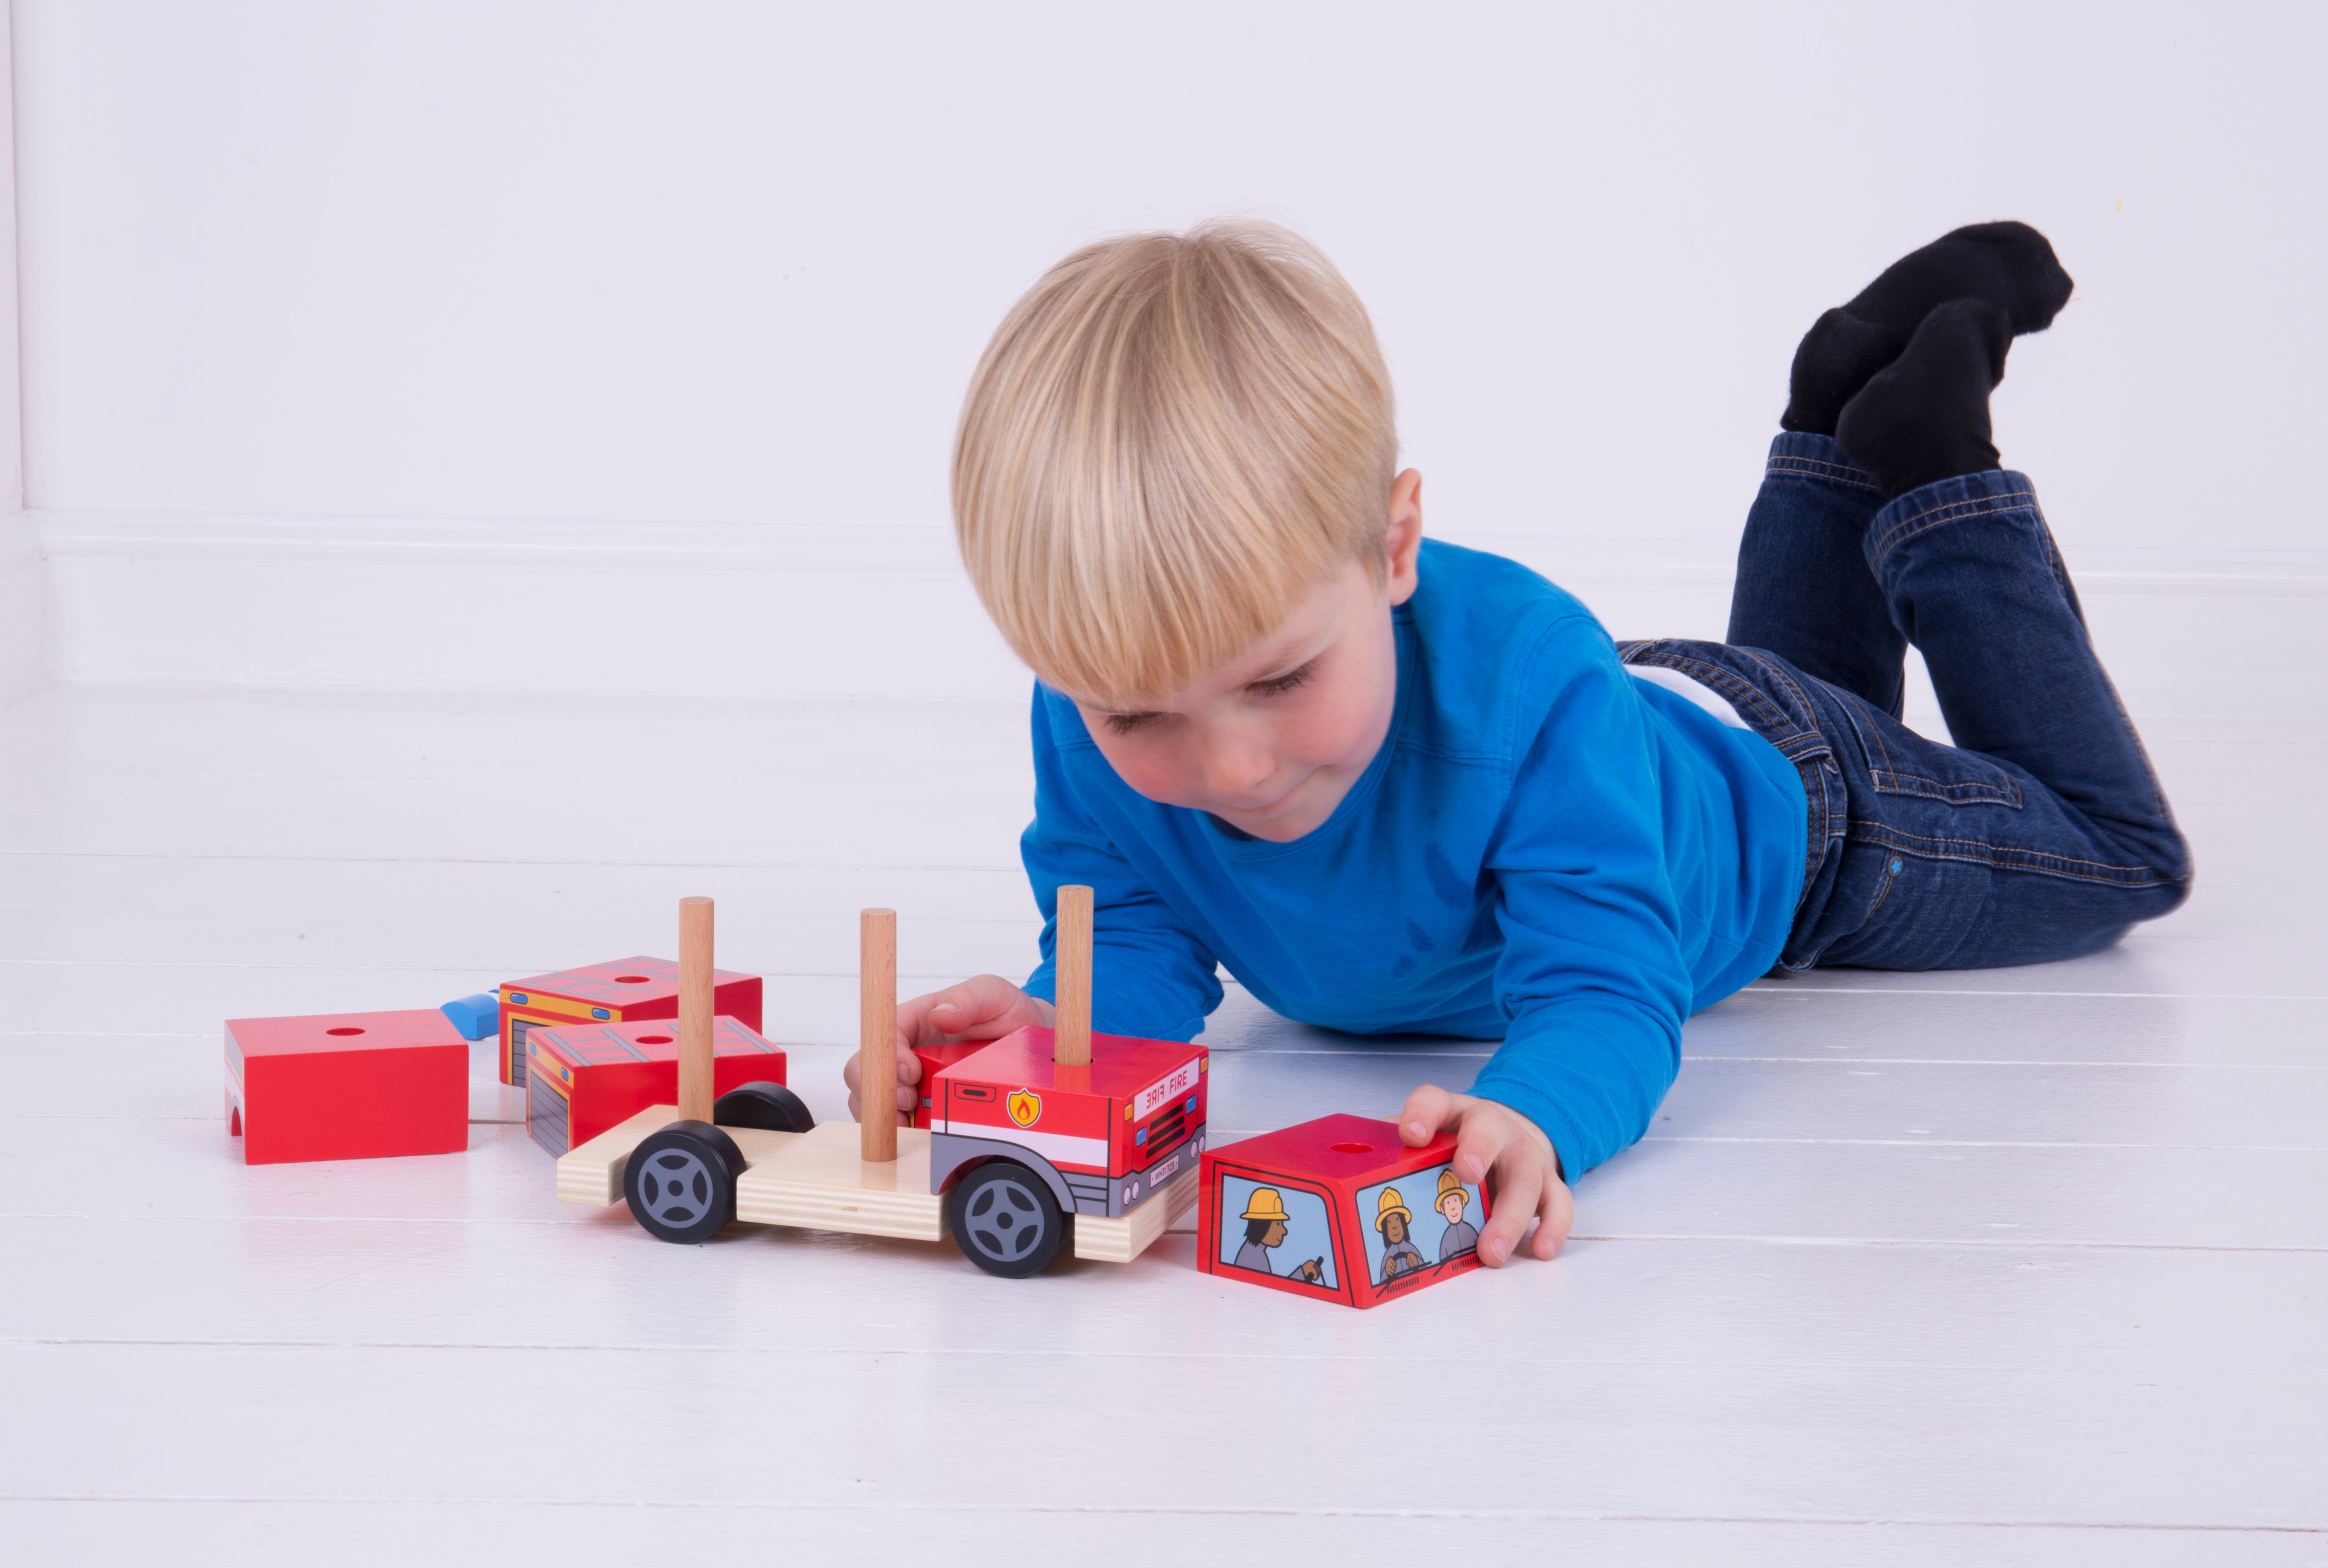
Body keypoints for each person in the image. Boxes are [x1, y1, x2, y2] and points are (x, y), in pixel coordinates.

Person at [845, 219, 2190, 1269]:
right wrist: (1057, 1034)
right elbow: (1138, 933)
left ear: (1393, 546)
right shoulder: (1086, 708)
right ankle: (1839, 405)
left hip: (1814, 823)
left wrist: (1538, 1108)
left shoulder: (1527, 695)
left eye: (1280, 679)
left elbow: (1605, 987)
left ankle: (1939, 474)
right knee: (1800, 680)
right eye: (1137, 714)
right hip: (1644, 731)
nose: (1234, 768)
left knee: (2119, 854)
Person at [1231, 1187, 1323, 1282]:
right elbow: (1271, 1289)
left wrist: (1303, 1272)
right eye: (1278, 1224)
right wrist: (1303, 1272)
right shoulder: (1254, 1257)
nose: (1284, 1231)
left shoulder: (1253, 1251)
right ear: (1263, 1225)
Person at [1374, 1188, 1424, 1282]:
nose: (1394, 1227)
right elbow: (1382, 1284)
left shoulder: (1412, 1249)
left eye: (1397, 1220)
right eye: (1389, 1222)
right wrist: (1387, 1272)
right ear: (1385, 1229)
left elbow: (1426, 1274)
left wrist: (1417, 1262)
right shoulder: (1387, 1257)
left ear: (1403, 1222)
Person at [1433, 1169, 1479, 1262]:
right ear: (1443, 1210)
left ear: (1462, 1203)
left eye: (1455, 1201)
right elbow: (1443, 1265)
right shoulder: (1446, 1241)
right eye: (1448, 1203)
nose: (1453, 1207)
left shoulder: (1471, 1231)